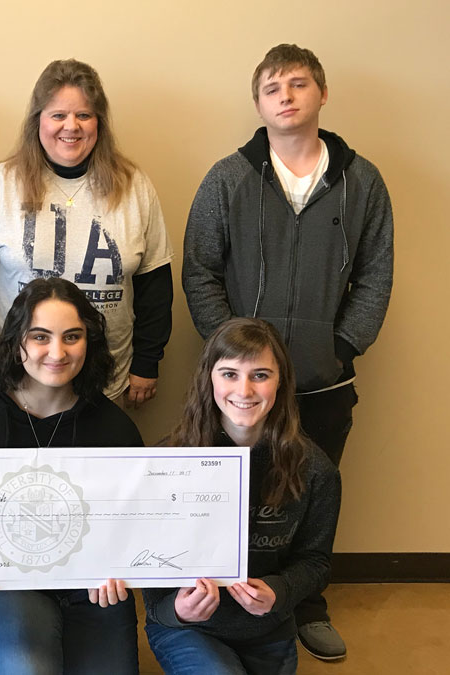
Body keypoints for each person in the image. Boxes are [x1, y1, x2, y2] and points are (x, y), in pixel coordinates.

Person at [181, 43, 392, 660]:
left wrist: (342, 347)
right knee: (235, 496)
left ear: (321, 94)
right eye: (273, 88)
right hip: (242, 387)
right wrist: (236, 357)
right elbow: (199, 270)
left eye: (299, 84)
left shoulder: (362, 180)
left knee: (312, 496)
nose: (287, 97)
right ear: (258, 103)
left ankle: (304, 604)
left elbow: (377, 273)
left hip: (323, 384)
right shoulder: (228, 177)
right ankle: (227, 595)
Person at [0, 277, 144, 675]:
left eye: (72, 336)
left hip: (93, 588)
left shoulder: (116, 430)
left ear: (90, 342)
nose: (57, 352)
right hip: (4, 585)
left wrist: (126, 565)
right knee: (26, 669)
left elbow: (132, 524)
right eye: (40, 337)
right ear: (17, 343)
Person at [0, 58, 173, 410]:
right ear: (37, 120)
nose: (71, 126)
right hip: (13, 382)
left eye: (84, 115)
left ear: (99, 122)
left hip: (104, 381)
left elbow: (155, 287)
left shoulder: (134, 186)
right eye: (58, 115)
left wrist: (148, 363)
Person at [143, 318, 341, 675]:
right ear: (209, 379)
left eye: (260, 375)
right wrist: (175, 610)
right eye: (230, 374)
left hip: (268, 627)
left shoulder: (315, 470)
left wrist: (279, 592)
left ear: (281, 382)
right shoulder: (165, 463)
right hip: (189, 628)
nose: (245, 390)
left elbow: (316, 561)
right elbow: (148, 571)